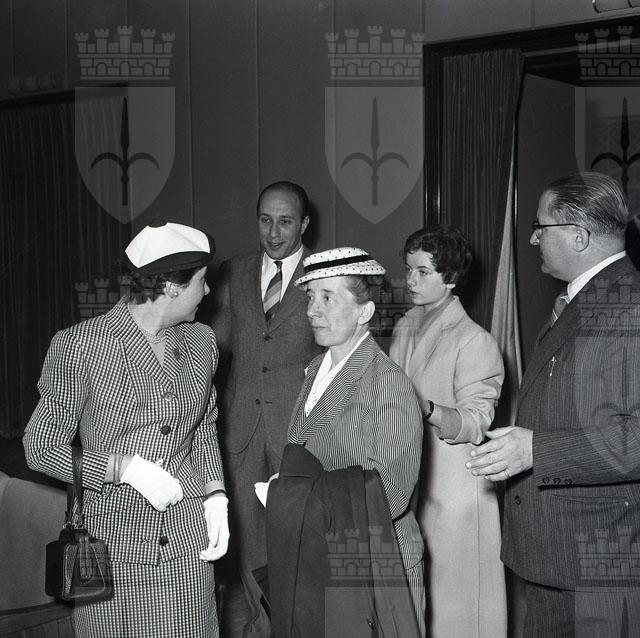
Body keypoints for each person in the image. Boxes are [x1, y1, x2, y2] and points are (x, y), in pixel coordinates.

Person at [23, 220, 229, 638]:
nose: (208, 291)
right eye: (201, 281)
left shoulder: (201, 342)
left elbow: (205, 428)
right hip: (112, 552)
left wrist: (215, 496)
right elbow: (39, 447)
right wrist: (123, 468)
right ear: (171, 286)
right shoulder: (82, 345)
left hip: (188, 548)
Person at [466, 172, 640, 636]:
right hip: (558, 556)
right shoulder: (587, 298)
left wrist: (535, 450)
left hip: (599, 559)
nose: (533, 238)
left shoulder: (631, 305)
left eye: (541, 227)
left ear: (579, 236)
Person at [266, 247, 425, 635]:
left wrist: (295, 497)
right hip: (323, 551)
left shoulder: (385, 382)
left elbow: (390, 493)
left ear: (364, 312)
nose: (312, 310)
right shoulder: (316, 369)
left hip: (372, 560)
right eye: (310, 297)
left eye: (328, 298)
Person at [210, 181, 322, 635]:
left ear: (304, 224)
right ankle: (262, 627)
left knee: (302, 542)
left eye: (285, 222)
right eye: (265, 220)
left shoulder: (323, 272)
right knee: (251, 546)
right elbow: (214, 347)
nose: (274, 233)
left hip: (300, 433)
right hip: (242, 432)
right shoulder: (235, 271)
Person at [389, 226, 506, 637]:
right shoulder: (405, 326)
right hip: (414, 480)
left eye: (423, 272)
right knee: (421, 602)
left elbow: (476, 422)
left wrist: (426, 408)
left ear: (451, 278)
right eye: (408, 269)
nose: (411, 280)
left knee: (460, 609)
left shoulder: (475, 341)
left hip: (457, 492)